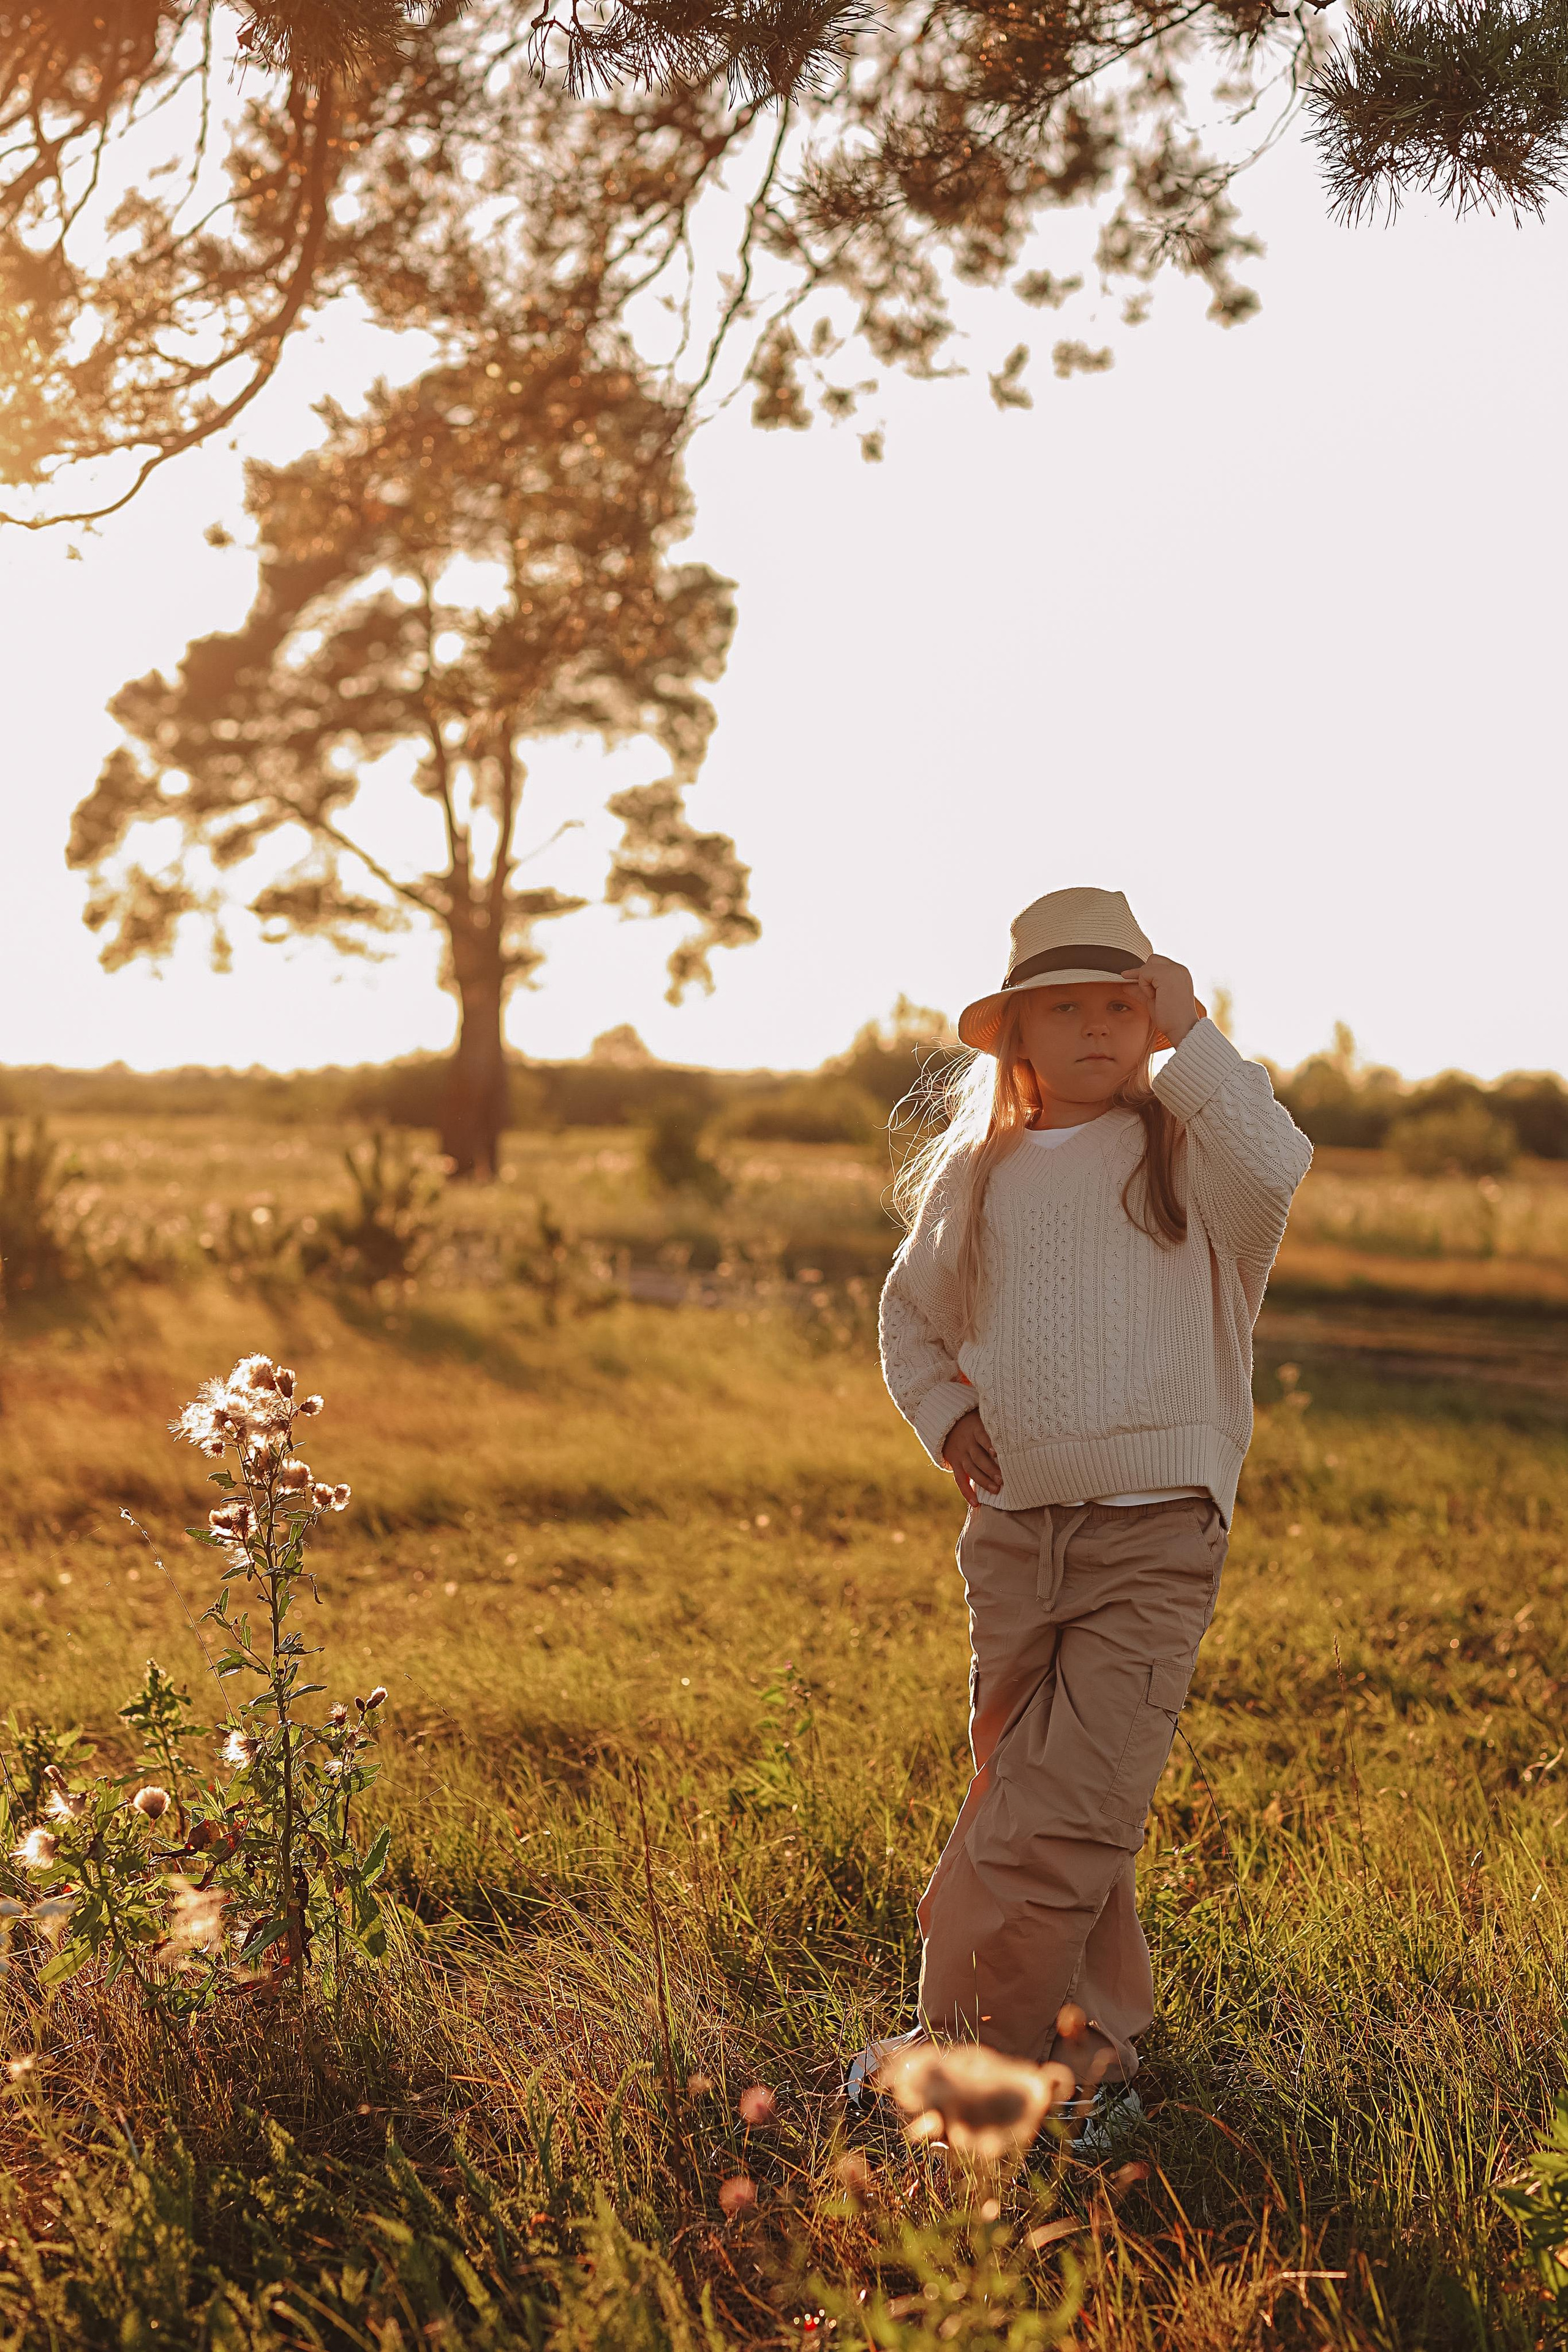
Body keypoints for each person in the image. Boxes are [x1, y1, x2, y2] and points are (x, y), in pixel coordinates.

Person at [853, 886, 1311, 2156]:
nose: (1099, 1028)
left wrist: (1191, 1028)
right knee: (1040, 1797)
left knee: (1059, 1814)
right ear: (1015, 1033)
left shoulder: (1187, 1153)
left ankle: (964, 2068)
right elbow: (909, 1317)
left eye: (1121, 1004)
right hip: (1014, 1537)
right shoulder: (977, 1174)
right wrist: (947, 1414)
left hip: (1154, 1535)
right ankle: (1093, 2058)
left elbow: (1279, 1163)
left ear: (1150, 1014)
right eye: (1065, 1010)